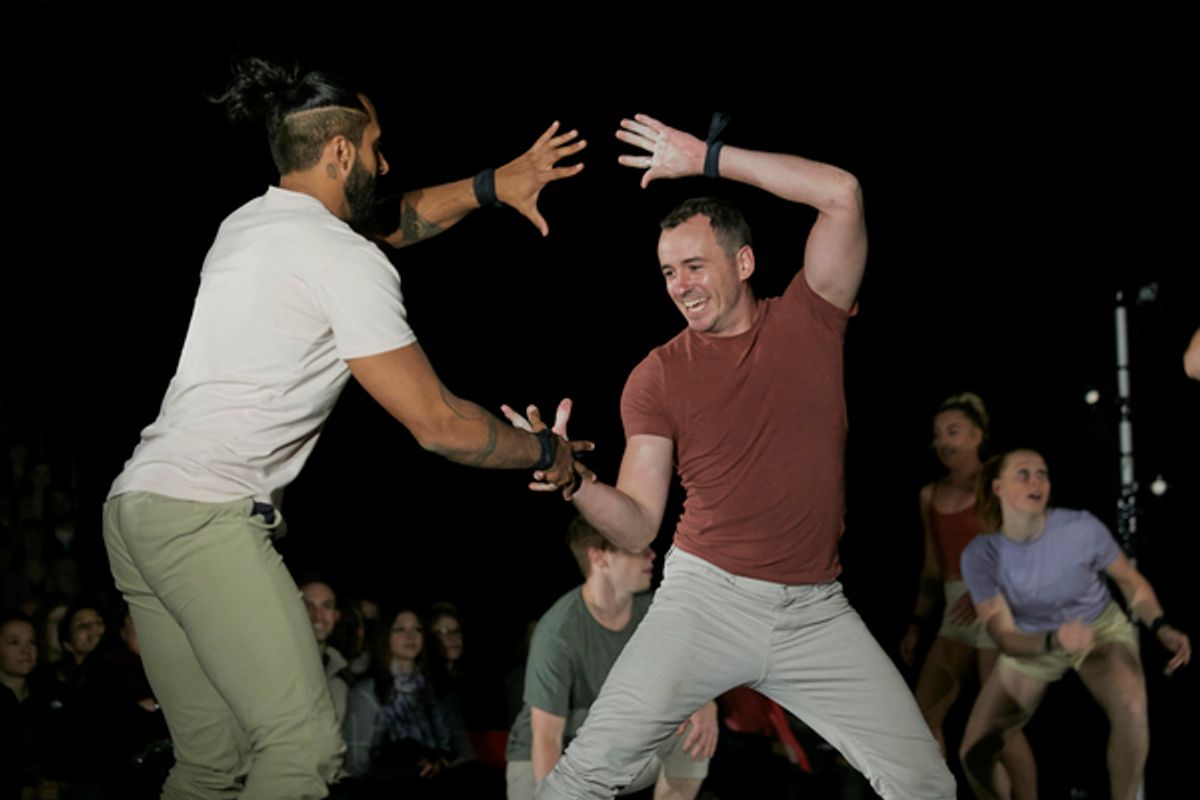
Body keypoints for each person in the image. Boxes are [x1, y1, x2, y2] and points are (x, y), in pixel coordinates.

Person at [102, 56, 590, 800]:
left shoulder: (248, 224)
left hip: (136, 509)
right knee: (302, 749)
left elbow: (388, 220)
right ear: (339, 151)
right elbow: (440, 425)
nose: (385, 163)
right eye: (376, 147)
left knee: (210, 763)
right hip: (204, 515)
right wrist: (546, 451)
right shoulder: (340, 258)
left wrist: (492, 185)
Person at [508, 114, 955, 799]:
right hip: (706, 601)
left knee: (925, 782)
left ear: (743, 263)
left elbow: (841, 194)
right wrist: (575, 480)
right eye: (668, 272)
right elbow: (637, 524)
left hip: (814, 610)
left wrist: (708, 158)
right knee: (585, 776)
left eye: (695, 266)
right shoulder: (657, 376)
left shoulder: (811, 318)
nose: (680, 285)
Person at [959, 449, 1192, 800]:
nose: (1036, 481)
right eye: (1024, 473)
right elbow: (1004, 636)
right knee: (975, 754)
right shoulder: (981, 555)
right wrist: (1054, 640)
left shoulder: (1081, 527)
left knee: (1132, 707)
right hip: (1034, 641)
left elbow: (1130, 582)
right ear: (998, 487)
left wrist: (1161, 626)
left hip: (1098, 631)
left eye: (1042, 473)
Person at [505, 516, 717, 800]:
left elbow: (688, 669)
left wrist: (705, 702)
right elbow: (546, 737)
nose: (652, 554)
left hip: (611, 749)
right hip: (545, 759)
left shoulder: (653, 611)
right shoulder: (558, 632)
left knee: (693, 727)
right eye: (637, 548)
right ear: (599, 558)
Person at [900, 394, 1036, 796]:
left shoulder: (998, 484)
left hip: (998, 606)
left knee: (997, 727)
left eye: (953, 432)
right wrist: (917, 623)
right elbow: (932, 568)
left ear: (977, 435)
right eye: (938, 434)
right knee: (923, 719)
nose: (943, 441)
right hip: (955, 612)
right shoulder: (931, 495)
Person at [342, 606, 495, 797]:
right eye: (400, 629)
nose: (410, 636)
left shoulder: (439, 689)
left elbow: (465, 751)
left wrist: (442, 765)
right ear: (385, 636)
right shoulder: (368, 692)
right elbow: (356, 763)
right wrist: (400, 771)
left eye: (417, 629)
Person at [301, 580, 354, 724]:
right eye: (308, 606)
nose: (318, 615)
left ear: (336, 615)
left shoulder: (343, 674)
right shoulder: (277, 667)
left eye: (327, 606)